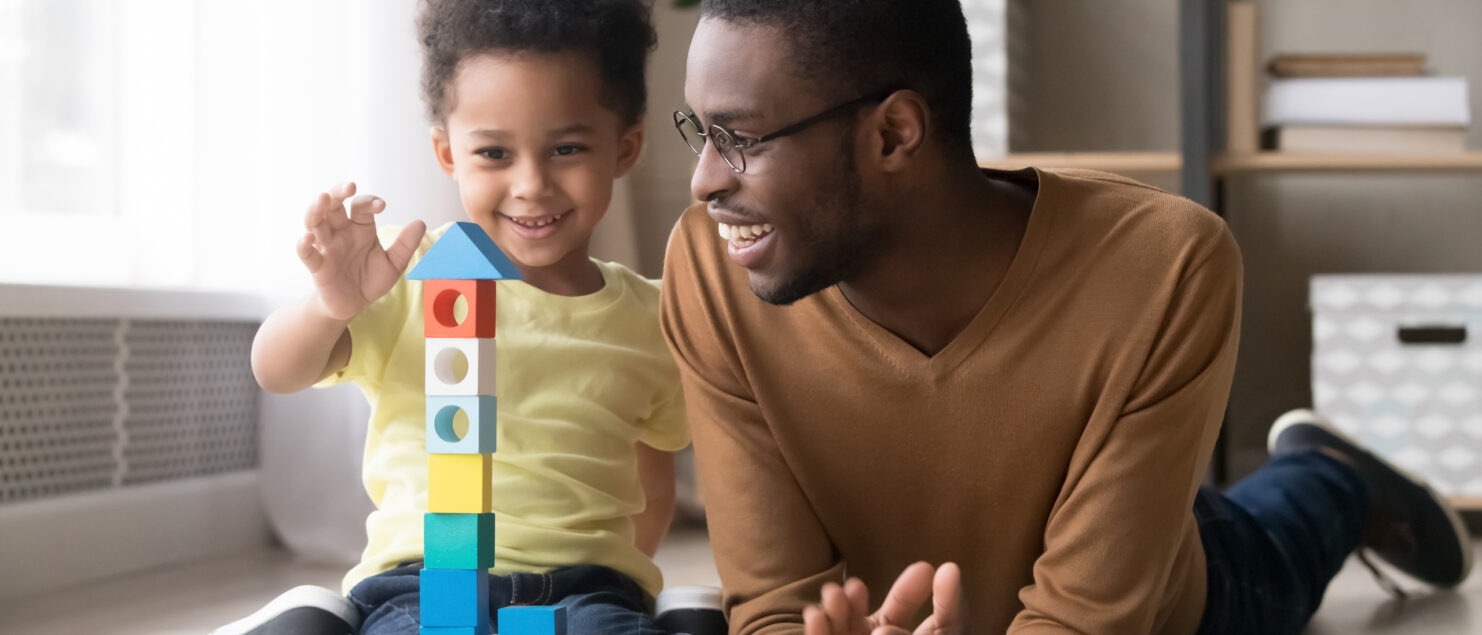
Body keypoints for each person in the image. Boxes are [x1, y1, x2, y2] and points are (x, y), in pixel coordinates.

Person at [658, 1, 1474, 634]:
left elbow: (1090, 621)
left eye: (740, 138)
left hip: (1145, 596)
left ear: (895, 133)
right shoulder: (711, 267)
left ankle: (1336, 473)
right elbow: (771, 606)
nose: (701, 182)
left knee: (1277, 539)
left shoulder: (1164, 265)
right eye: (700, 129)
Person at [239, 1, 690, 633]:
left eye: (566, 148)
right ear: (448, 153)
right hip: (421, 584)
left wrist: (624, 573)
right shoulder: (403, 271)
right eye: (495, 154)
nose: (531, 184)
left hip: (585, 588)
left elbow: (653, 480)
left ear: (624, 148)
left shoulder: (653, 316)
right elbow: (275, 370)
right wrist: (330, 305)